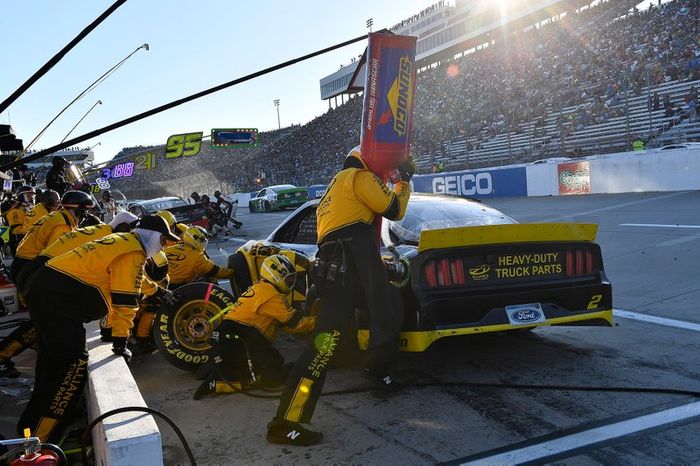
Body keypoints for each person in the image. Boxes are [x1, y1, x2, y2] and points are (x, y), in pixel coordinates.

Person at [267, 146, 414, 446]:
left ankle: (375, 368)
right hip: (350, 263)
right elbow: (394, 210)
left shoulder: (334, 187)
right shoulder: (358, 176)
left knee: (374, 314)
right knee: (331, 341)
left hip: (336, 268)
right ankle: (286, 423)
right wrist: (404, 181)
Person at [17, 215, 179, 443]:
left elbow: (136, 278)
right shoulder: (133, 253)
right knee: (73, 365)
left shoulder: (124, 242)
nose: (164, 245)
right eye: (163, 240)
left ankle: (28, 428)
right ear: (152, 236)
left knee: (51, 364)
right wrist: (121, 343)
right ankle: (39, 441)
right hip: (57, 300)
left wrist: (158, 292)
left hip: (44, 289)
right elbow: (126, 304)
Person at [0, 211, 139, 378]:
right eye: (133, 232)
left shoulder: (100, 232)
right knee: (39, 326)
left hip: (34, 271)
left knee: (43, 325)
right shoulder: (111, 242)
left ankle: (7, 357)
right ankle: (2, 356)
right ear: (124, 228)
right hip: (40, 277)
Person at [193, 254, 315, 400]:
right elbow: (296, 323)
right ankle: (220, 379)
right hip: (239, 338)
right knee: (271, 374)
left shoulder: (261, 288)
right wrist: (320, 321)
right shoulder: (271, 295)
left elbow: (284, 325)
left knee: (273, 360)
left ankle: (218, 369)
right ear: (276, 276)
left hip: (229, 335)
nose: (291, 283)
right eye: (288, 279)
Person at [11, 190, 94, 283]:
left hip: (23, 263)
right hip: (29, 268)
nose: (85, 215)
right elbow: (55, 257)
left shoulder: (57, 216)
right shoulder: (63, 225)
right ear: (79, 210)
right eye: (85, 211)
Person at [163, 225, 234, 287]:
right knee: (207, 276)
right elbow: (217, 272)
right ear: (196, 239)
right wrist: (233, 272)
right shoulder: (198, 257)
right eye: (203, 241)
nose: (204, 243)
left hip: (160, 282)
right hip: (176, 287)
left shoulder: (171, 247)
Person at [5, 185, 35, 256]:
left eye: (33, 195)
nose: (32, 198)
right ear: (21, 196)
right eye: (29, 195)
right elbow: (15, 230)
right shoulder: (15, 211)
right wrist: (33, 229)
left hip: (33, 241)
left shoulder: (34, 209)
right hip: (20, 243)